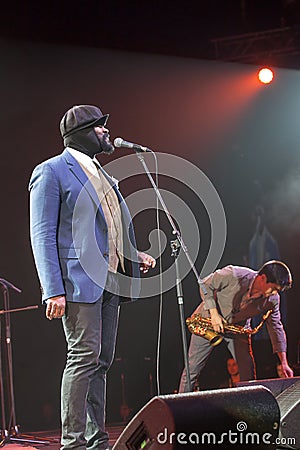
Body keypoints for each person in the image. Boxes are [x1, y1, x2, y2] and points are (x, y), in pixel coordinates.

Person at [29, 105, 156, 450]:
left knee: (101, 361)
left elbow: (108, 229)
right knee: (83, 357)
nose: (106, 133)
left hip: (111, 279)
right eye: (101, 128)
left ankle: (96, 440)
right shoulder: (52, 171)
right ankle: (73, 442)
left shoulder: (103, 174)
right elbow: (41, 234)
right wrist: (52, 289)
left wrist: (133, 254)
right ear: (83, 133)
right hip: (77, 282)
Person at [179, 260, 293, 393]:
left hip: (237, 329)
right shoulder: (234, 274)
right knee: (192, 368)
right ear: (263, 278)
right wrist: (214, 313)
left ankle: (249, 408)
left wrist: (283, 362)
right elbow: (205, 284)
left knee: (247, 371)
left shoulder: (273, 300)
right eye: (273, 288)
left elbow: (276, 327)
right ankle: (177, 407)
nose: (274, 293)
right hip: (208, 321)